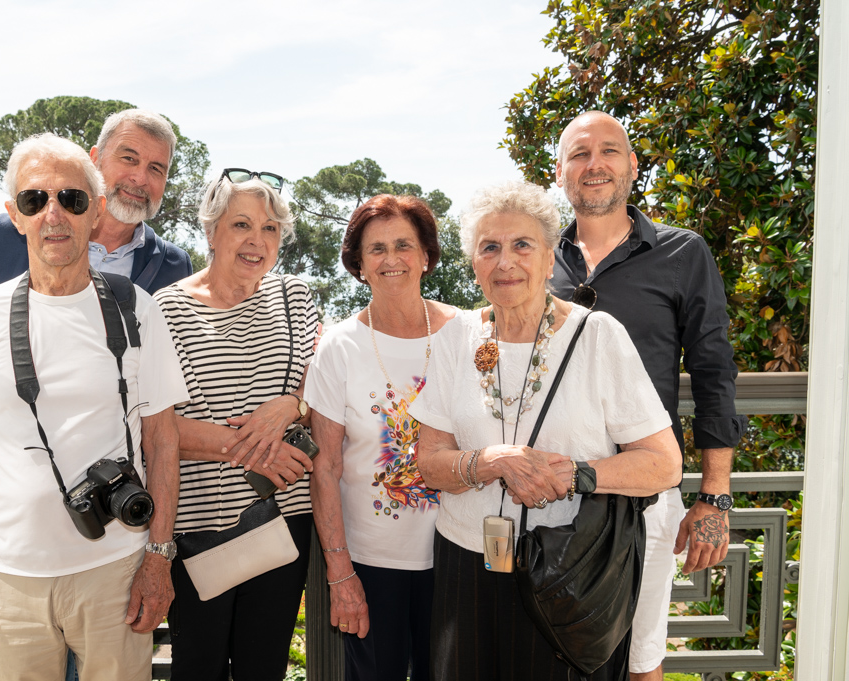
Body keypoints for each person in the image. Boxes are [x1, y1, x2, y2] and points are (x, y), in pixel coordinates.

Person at [408, 180, 683, 681]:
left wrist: (576, 474)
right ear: (474, 263)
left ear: (550, 259)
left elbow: (664, 464)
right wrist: (488, 462)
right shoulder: (455, 338)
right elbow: (429, 462)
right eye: (489, 247)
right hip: (466, 569)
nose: (505, 261)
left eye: (522, 245)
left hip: (566, 570)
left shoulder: (598, 336)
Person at [0, 133, 188, 680]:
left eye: (72, 199)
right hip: (7, 576)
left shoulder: (135, 310)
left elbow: (162, 439)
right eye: (35, 200)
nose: (54, 214)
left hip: (114, 572)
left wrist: (158, 558)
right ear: (15, 214)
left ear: (96, 211)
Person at [551, 110, 747, 681]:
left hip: (646, 490)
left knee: (641, 662)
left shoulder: (683, 254)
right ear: (560, 172)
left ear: (632, 164)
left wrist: (715, 496)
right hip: (551, 488)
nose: (595, 165)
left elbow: (714, 374)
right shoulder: (534, 257)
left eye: (609, 151)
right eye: (580, 154)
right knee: (552, 655)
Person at [0, 108, 193, 415]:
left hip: (115, 455)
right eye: (128, 158)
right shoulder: (10, 234)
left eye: (157, 168)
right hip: (0, 450)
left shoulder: (173, 266)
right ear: (95, 160)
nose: (140, 177)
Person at [155, 169, 317, 681]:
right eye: (241, 224)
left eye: (270, 229)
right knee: (197, 669)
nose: (256, 240)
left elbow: (328, 379)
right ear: (210, 232)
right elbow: (156, 429)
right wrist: (252, 450)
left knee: (263, 668)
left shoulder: (297, 296)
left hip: (283, 517)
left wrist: (292, 404)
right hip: (198, 529)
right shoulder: (166, 310)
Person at [305, 194, 456, 681]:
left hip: (457, 555)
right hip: (372, 565)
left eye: (404, 245)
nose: (392, 259)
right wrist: (339, 573)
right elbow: (324, 467)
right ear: (359, 264)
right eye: (376, 249)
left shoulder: (467, 334)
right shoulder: (338, 348)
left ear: (427, 255)